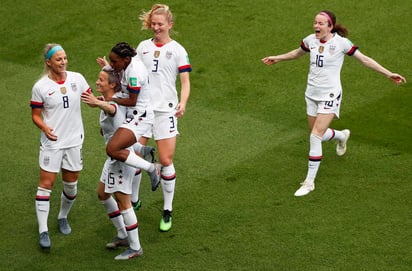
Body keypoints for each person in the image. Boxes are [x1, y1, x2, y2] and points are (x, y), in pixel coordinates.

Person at [261, 10, 406, 197]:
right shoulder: (310, 40)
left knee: (314, 136)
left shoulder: (341, 44)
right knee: (318, 135)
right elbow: (296, 54)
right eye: (315, 22)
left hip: (330, 95)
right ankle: (341, 136)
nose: (316, 26)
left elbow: (365, 60)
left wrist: (388, 73)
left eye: (320, 23)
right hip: (311, 94)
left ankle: (309, 182)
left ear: (330, 26)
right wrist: (278, 58)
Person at [132, 3, 192, 232]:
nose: (156, 28)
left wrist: (183, 102)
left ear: (170, 25)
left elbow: (185, 82)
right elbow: (133, 74)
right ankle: (135, 198)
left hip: (166, 111)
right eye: (153, 24)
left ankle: (167, 210)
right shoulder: (143, 47)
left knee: (166, 160)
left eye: (160, 24)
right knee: (135, 154)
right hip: (143, 109)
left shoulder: (178, 50)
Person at [30, 44, 92, 249]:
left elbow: (89, 99)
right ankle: (43, 231)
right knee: (46, 185)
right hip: (53, 143)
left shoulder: (77, 79)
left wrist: (102, 101)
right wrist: (45, 128)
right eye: (59, 59)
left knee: (71, 185)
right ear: (49, 62)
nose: (64, 62)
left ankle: (62, 216)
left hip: (74, 141)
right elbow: (35, 116)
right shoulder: (40, 87)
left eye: (65, 58)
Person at [81, 66, 143, 260]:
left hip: (121, 160)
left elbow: (111, 109)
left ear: (112, 84)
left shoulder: (113, 104)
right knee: (102, 193)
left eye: (101, 80)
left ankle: (135, 247)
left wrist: (97, 103)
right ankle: (123, 234)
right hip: (115, 158)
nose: (97, 82)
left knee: (124, 203)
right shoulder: (114, 98)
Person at [97, 42, 160, 211]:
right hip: (132, 114)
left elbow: (132, 101)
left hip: (140, 116)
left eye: (114, 61)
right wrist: (109, 68)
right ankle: (141, 148)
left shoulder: (135, 73)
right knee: (113, 136)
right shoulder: (127, 63)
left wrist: (111, 100)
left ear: (126, 60)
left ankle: (152, 168)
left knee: (113, 149)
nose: (112, 64)